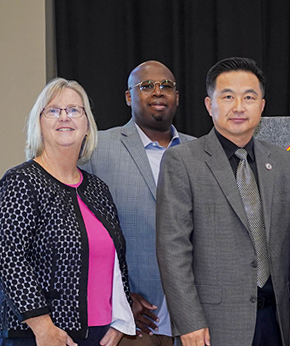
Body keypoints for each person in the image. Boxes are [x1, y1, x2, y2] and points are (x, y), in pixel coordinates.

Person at [155, 57, 290, 346]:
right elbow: (172, 249)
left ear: (262, 106)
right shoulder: (182, 161)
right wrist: (189, 322)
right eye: (227, 97)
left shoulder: (282, 162)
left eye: (249, 97)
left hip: (276, 320)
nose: (239, 107)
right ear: (209, 104)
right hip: (211, 325)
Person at [0, 78, 136, 346]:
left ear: (87, 126)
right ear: (39, 124)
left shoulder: (97, 188)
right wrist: (43, 326)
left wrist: (122, 319)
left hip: (99, 335)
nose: (64, 117)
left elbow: (116, 261)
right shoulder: (21, 181)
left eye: (74, 110)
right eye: (53, 110)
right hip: (41, 336)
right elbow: (8, 257)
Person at [80, 60, 195, 345]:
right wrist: (118, 296)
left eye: (166, 85)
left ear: (177, 97)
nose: (158, 91)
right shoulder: (96, 149)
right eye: (146, 86)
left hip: (193, 322)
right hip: (130, 323)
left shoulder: (200, 152)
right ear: (129, 97)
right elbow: (80, 236)